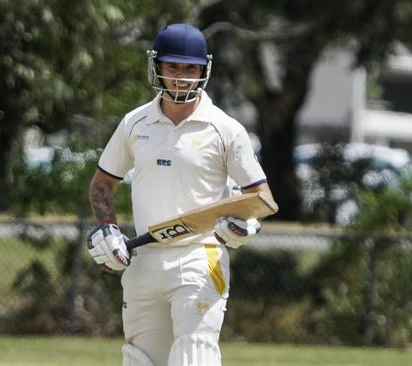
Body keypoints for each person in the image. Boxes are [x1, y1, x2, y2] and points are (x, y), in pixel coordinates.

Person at [86, 23, 275, 366]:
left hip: (200, 257)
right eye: (173, 67)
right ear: (156, 67)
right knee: (141, 360)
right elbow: (102, 183)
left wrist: (246, 227)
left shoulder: (225, 129)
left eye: (191, 68)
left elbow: (259, 197)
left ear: (204, 70)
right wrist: (108, 228)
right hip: (144, 256)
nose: (182, 77)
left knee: (193, 357)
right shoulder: (135, 124)